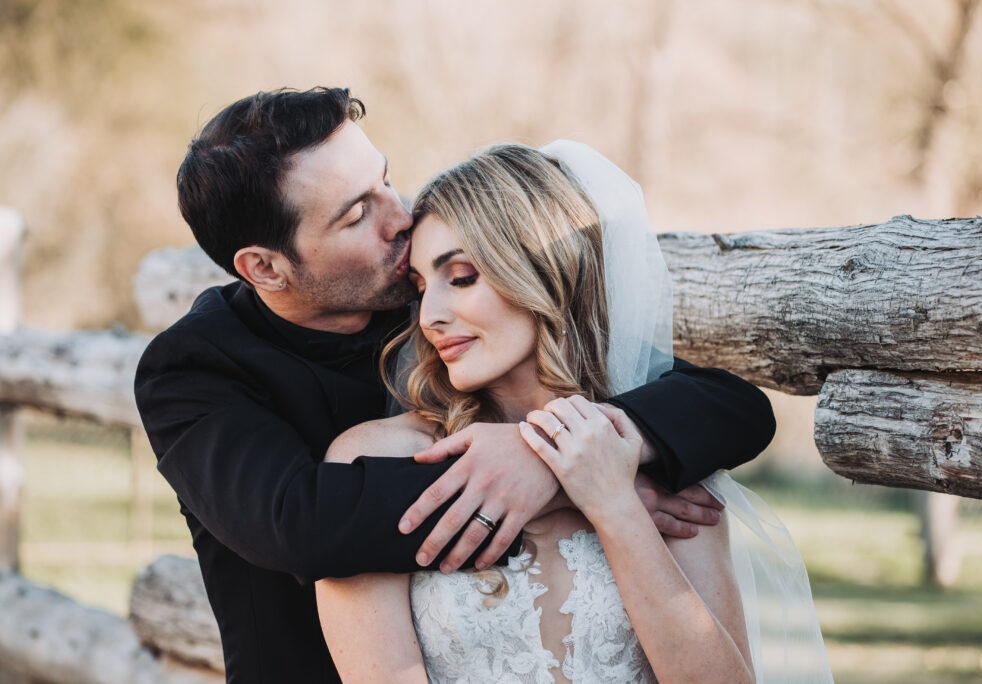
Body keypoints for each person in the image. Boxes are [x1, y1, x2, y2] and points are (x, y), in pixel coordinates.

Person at [134, 87, 777, 684]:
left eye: (385, 180)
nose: (401, 216)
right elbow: (301, 526)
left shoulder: (425, 297)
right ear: (265, 268)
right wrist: (563, 476)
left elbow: (731, 405)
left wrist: (549, 450)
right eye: (358, 213)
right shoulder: (193, 370)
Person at [315, 141, 832, 682]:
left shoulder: (661, 461)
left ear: (546, 271)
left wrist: (612, 503)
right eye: (420, 288)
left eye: (462, 276)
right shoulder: (375, 460)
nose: (431, 316)